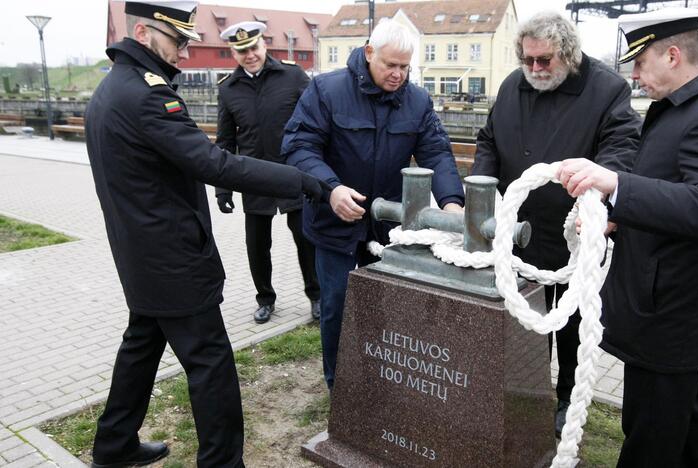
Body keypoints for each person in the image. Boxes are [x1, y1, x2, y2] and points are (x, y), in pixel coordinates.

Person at [84, 2, 329, 466]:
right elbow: (215, 161)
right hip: (172, 257)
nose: (184, 50)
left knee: (141, 345)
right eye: (177, 40)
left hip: (140, 255)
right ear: (141, 31)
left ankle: (114, 445)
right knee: (210, 363)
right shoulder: (148, 95)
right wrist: (301, 182)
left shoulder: (113, 87)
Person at [556, 7, 698, 466]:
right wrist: (618, 216)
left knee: (649, 439)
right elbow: (674, 192)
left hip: (674, 315)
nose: (633, 75)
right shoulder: (684, 109)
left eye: (640, 62)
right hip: (667, 310)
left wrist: (615, 185)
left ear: (672, 55)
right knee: (681, 430)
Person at [471, 10, 640, 437]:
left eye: (544, 60)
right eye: (527, 60)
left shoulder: (607, 89)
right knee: (522, 324)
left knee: (569, 328)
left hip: (570, 234)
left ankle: (566, 397)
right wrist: (484, 187)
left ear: (568, 53)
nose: (534, 69)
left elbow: (622, 146)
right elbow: (489, 139)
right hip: (519, 234)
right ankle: (525, 393)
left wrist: (598, 198)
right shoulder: (513, 85)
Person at [282, 20, 465, 391]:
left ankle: (381, 377)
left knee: (386, 304)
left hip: (387, 227)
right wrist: (331, 189)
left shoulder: (417, 101)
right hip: (333, 221)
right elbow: (299, 147)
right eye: (390, 65)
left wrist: (451, 203)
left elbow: (436, 152)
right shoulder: (326, 90)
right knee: (336, 305)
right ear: (369, 53)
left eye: (405, 66)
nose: (398, 74)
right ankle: (340, 386)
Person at [214, 21, 321, 324]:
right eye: (242, 51)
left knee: (305, 238)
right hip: (253, 177)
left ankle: (317, 295)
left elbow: (316, 123)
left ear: (264, 45)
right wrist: (223, 189)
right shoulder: (228, 89)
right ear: (234, 53)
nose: (249, 55)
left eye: (253, 48)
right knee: (257, 245)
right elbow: (225, 143)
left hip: (293, 172)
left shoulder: (293, 76)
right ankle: (265, 299)